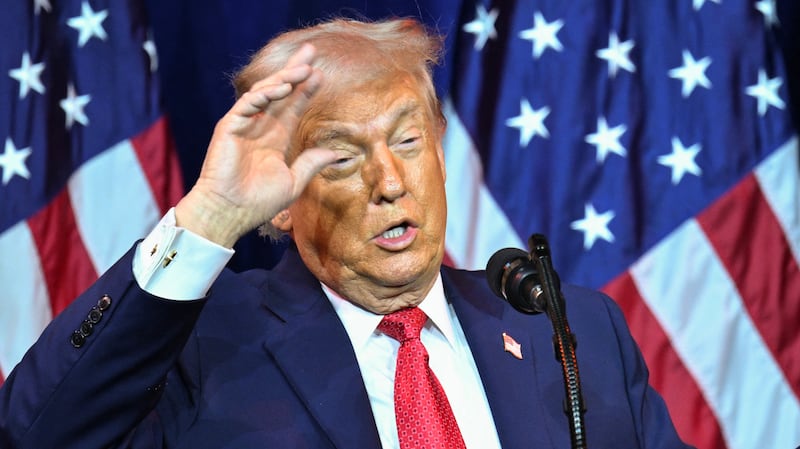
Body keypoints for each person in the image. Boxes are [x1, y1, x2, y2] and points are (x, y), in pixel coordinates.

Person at [0, 17, 692, 449]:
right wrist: (210, 214)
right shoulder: (203, 346)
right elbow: (38, 434)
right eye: (341, 156)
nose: (389, 182)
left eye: (408, 140)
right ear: (279, 203)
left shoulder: (572, 332)